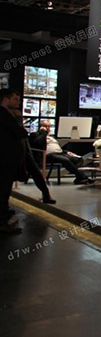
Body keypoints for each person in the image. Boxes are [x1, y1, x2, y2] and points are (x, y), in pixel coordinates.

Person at [8, 108, 56, 204]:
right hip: (14, 152)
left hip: (25, 152)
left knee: (36, 174)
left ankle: (46, 194)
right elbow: (35, 141)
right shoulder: (35, 134)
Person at [29, 120, 94, 185]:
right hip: (47, 155)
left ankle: (79, 177)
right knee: (65, 160)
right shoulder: (35, 135)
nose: (47, 128)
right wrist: (43, 132)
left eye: (49, 126)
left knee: (78, 159)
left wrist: (67, 152)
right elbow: (38, 143)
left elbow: (57, 148)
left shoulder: (51, 137)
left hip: (60, 153)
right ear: (40, 127)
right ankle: (82, 177)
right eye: (45, 126)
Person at [0, 89, 27, 233]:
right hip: (5, 159)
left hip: (5, 158)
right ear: (6, 99)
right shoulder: (4, 115)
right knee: (3, 190)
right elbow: (20, 132)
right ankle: (2, 222)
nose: (18, 103)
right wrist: (18, 119)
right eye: (15, 99)